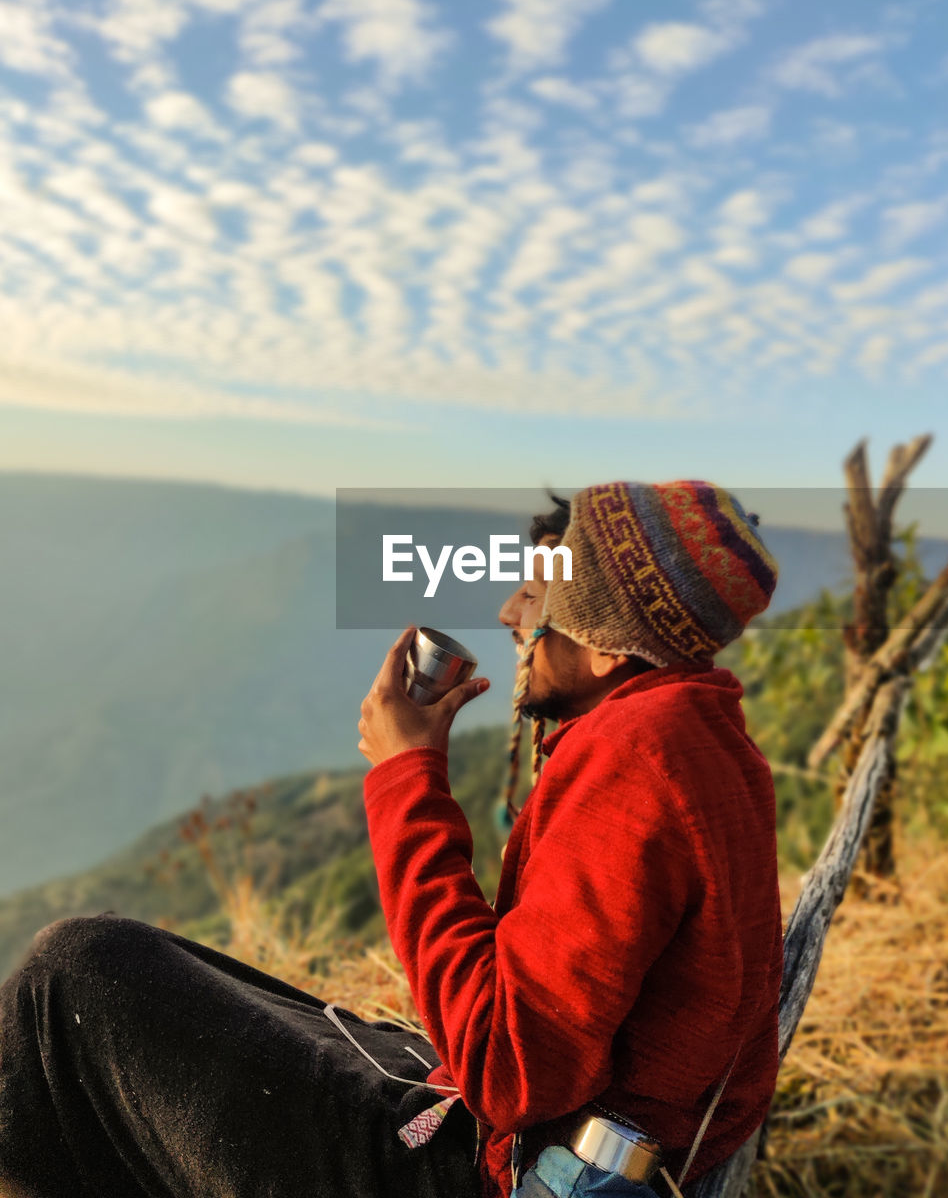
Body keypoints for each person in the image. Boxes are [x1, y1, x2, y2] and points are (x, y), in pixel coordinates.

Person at [0, 480, 782, 1198]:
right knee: (169, 966)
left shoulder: (638, 763)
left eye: (535, 594)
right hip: (561, 1134)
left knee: (68, 975)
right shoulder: (703, 739)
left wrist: (407, 780)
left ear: (610, 643)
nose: (511, 615)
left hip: (487, 1171)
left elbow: (507, 1068)